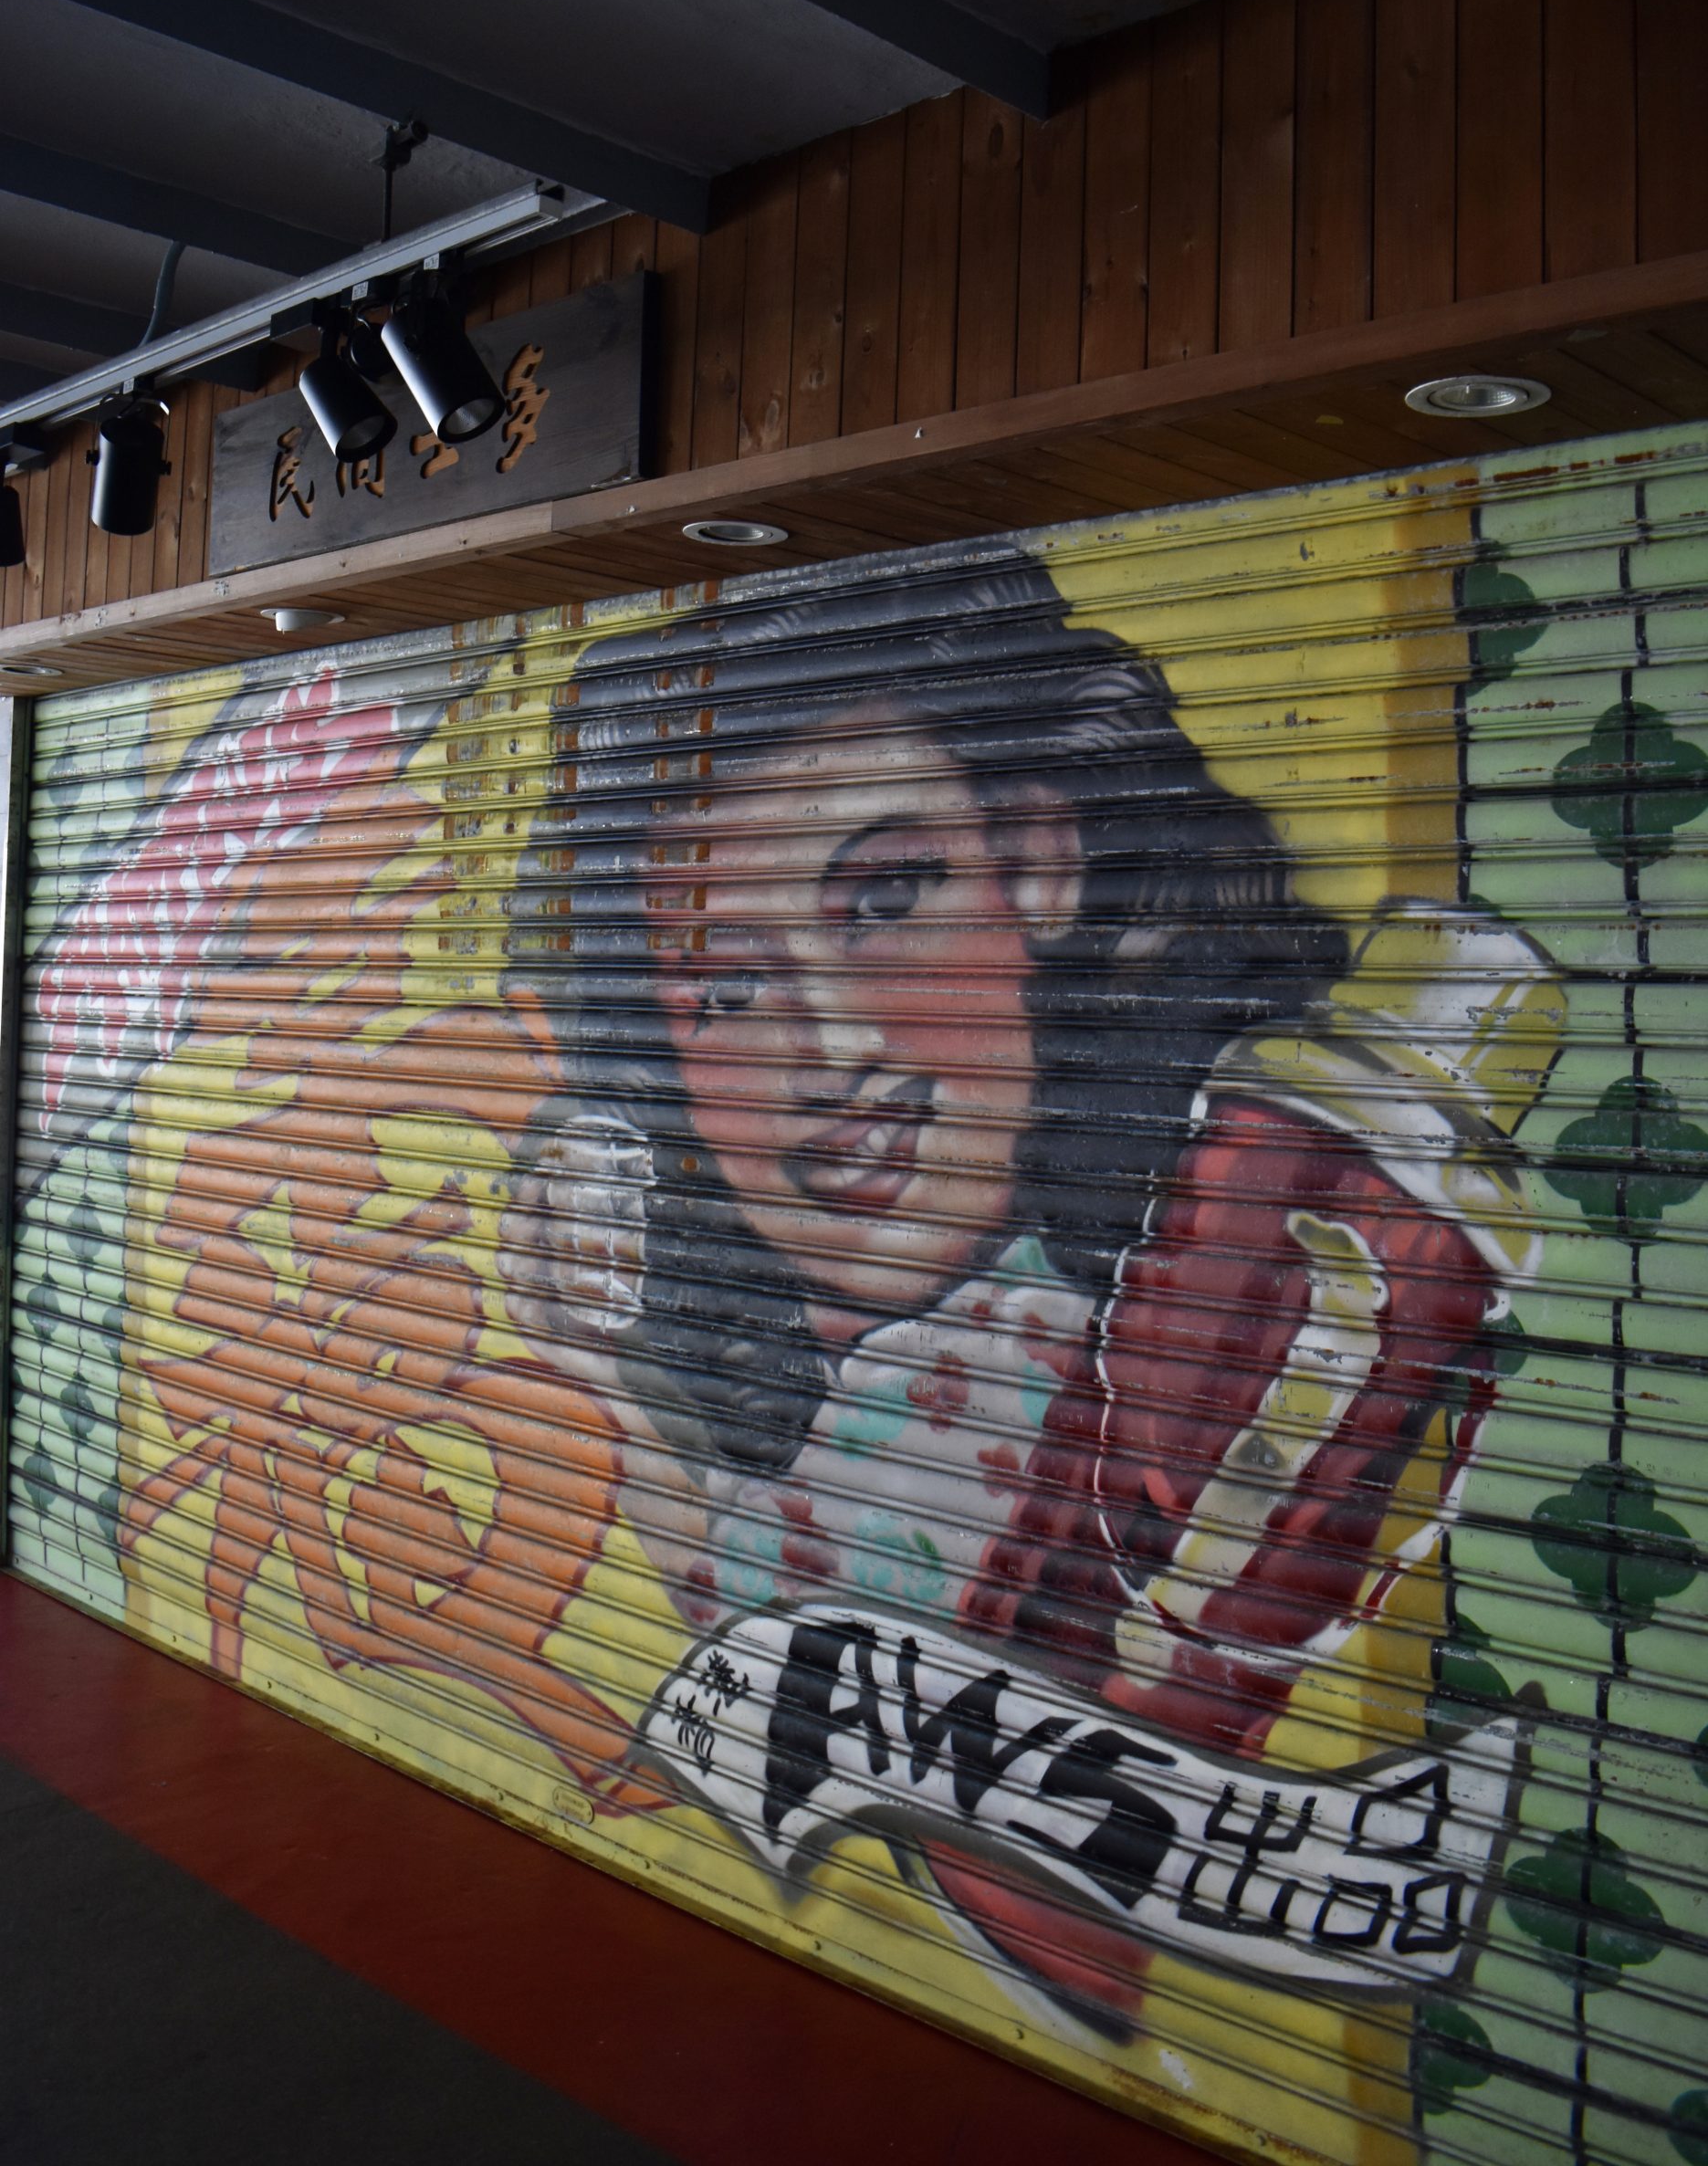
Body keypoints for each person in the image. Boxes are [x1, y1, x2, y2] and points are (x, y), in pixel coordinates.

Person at [499, 560, 1557, 2023]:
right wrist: (617, 1372)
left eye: (886, 899)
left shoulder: (1188, 1311)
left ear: (1039, 863)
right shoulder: (780, 1382)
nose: (832, 1049)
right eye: (727, 991)